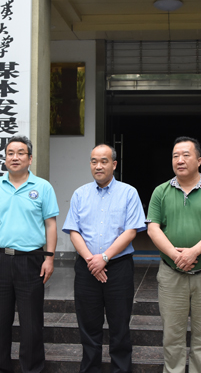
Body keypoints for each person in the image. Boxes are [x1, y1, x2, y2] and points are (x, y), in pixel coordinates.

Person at [146, 136, 201, 373]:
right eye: (175, 156)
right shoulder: (161, 191)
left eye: (185, 155)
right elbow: (153, 228)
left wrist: (194, 252)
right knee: (172, 336)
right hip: (171, 274)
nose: (179, 160)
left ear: (199, 160)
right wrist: (176, 255)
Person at [0, 135, 59, 373]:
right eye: (10, 153)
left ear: (30, 158)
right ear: (4, 159)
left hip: (31, 260)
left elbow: (51, 225)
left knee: (32, 322)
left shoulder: (43, 187)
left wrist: (49, 257)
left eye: (21, 153)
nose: (15, 157)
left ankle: (32, 368)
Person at [62, 144, 146, 373]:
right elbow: (73, 231)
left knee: (120, 327)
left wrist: (105, 258)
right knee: (88, 327)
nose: (98, 166)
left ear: (114, 164)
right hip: (87, 268)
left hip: (118, 268)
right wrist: (92, 260)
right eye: (94, 161)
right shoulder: (80, 194)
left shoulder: (128, 193)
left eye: (104, 161)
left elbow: (131, 231)